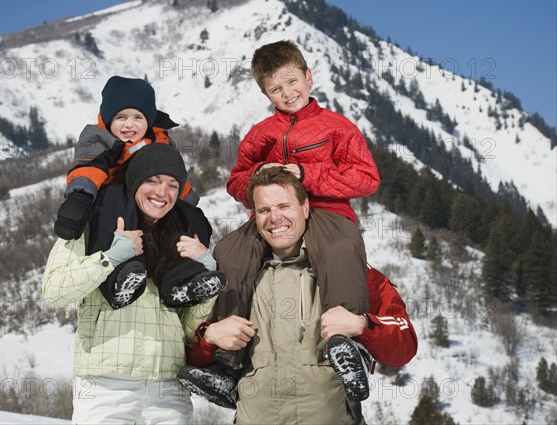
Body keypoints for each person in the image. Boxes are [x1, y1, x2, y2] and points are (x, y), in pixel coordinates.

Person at [178, 168, 417, 424]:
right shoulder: (236, 277)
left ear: (305, 208)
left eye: (284, 206)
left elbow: (403, 347)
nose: (274, 218)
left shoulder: (349, 271)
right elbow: (192, 357)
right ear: (254, 217)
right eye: (264, 210)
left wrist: (362, 325)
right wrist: (210, 336)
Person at [225, 40, 381, 399]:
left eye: (292, 82)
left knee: (339, 248)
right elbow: (234, 181)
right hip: (274, 214)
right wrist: (257, 175)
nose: (287, 93)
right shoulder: (261, 133)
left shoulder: (337, 127)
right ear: (266, 94)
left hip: (327, 212)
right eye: (275, 89)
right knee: (232, 250)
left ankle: (349, 346)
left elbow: (366, 177)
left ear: (308, 77)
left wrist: (306, 173)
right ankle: (226, 359)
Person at [43, 143, 220, 424]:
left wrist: (208, 276)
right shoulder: (95, 222)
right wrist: (109, 258)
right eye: (152, 180)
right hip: (106, 386)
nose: (162, 192)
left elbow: (189, 328)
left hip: (168, 389)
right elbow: (55, 291)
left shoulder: (185, 235)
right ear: (135, 181)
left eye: (173, 184)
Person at [53, 76, 220, 309]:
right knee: (117, 198)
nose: (129, 125)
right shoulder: (99, 139)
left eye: (138, 118)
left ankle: (181, 281)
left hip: (144, 200)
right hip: (109, 203)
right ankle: (121, 277)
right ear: (109, 119)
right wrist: (80, 198)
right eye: (121, 117)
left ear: (149, 120)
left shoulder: (158, 138)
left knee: (190, 215)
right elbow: (89, 168)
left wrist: (187, 204)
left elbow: (172, 175)